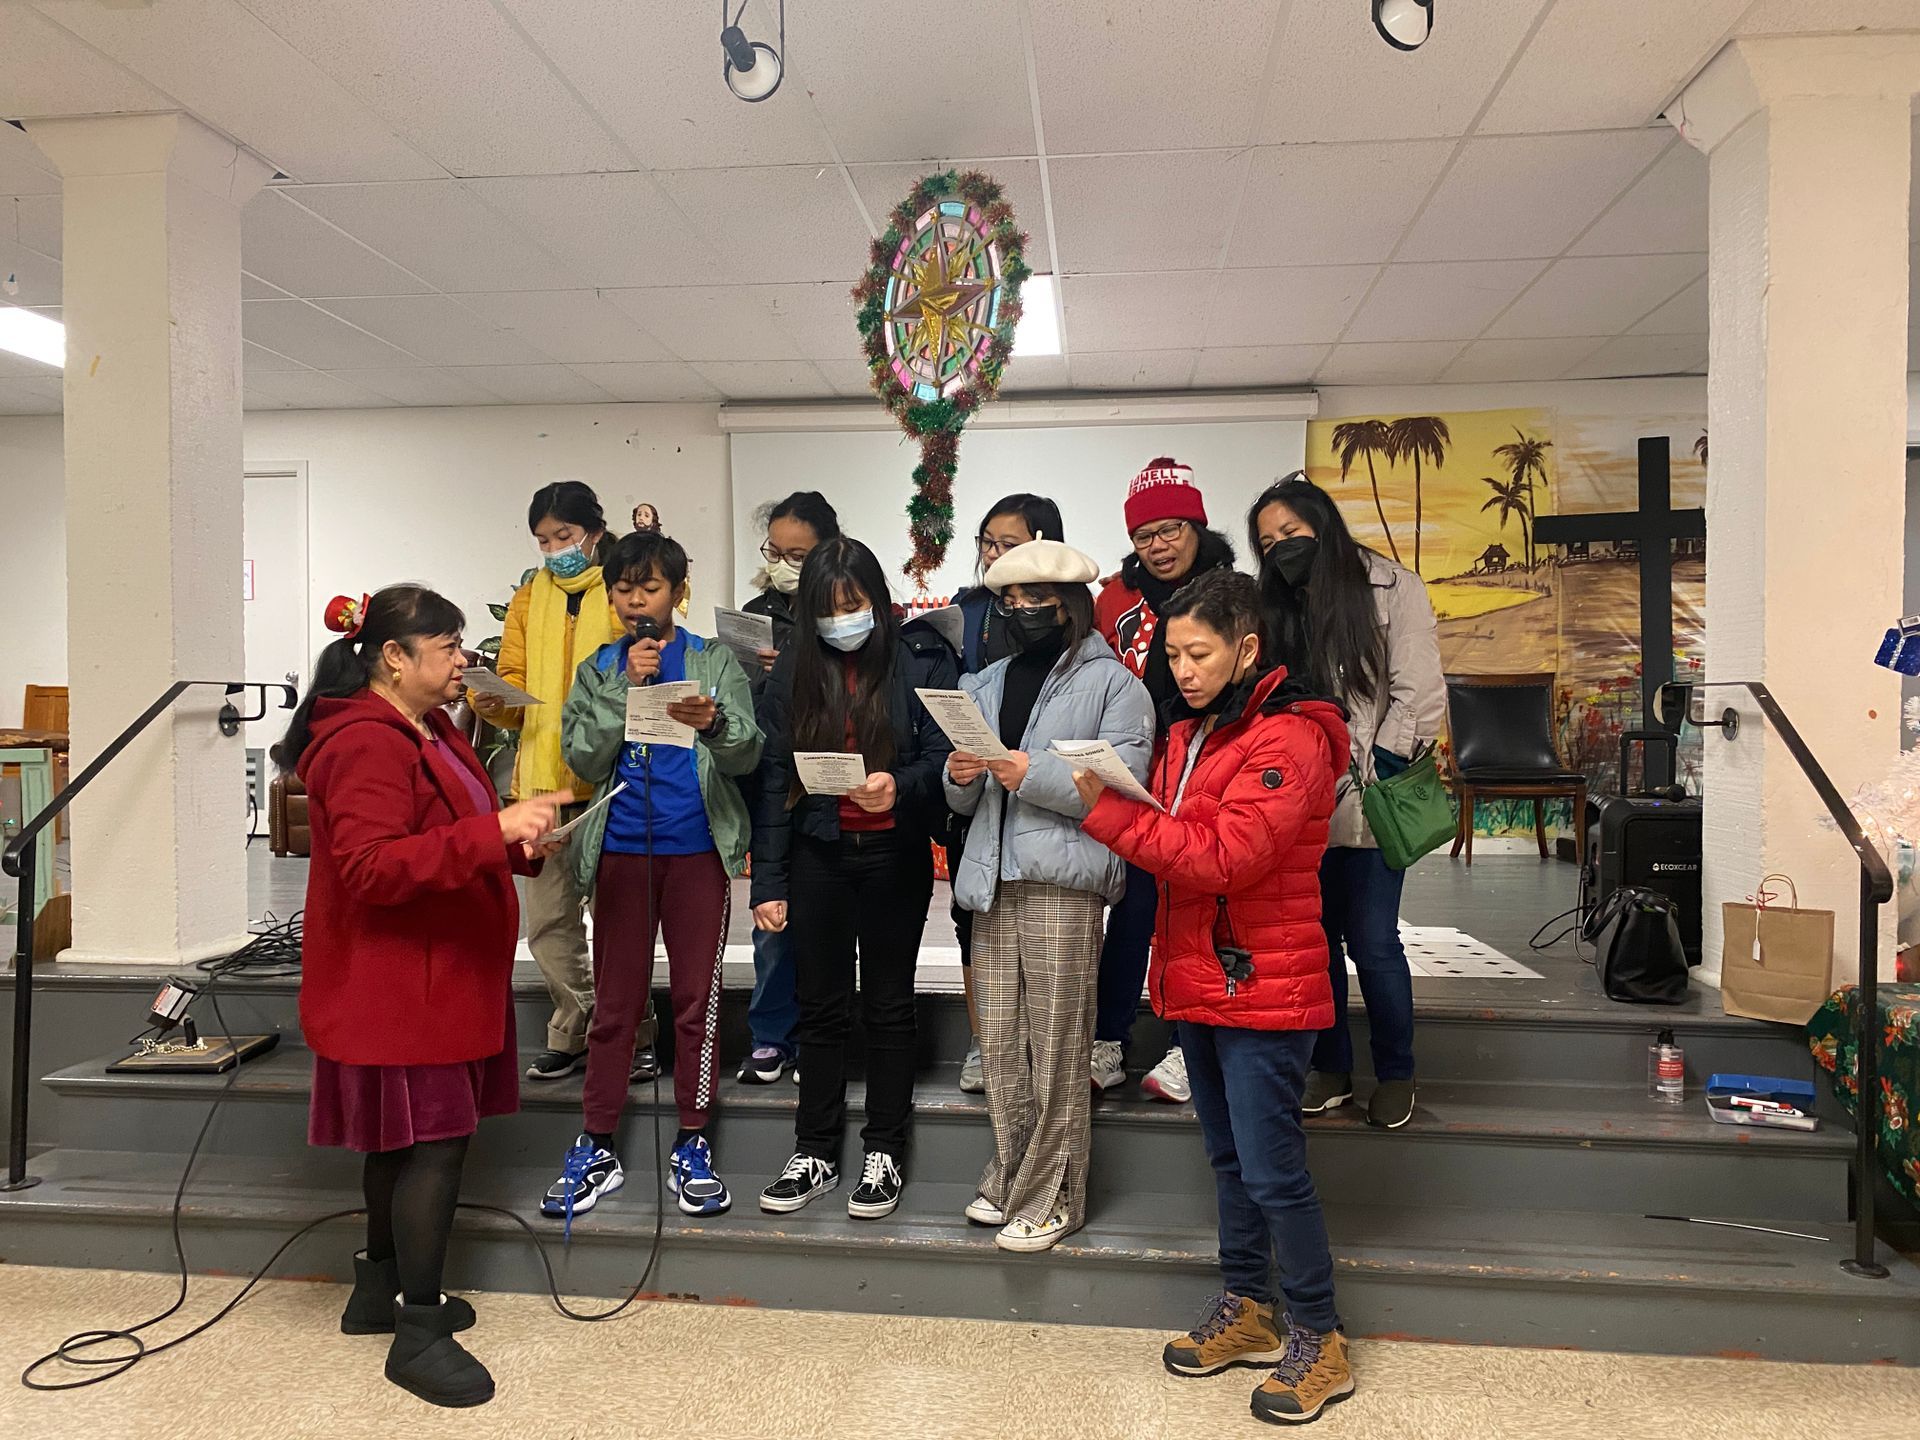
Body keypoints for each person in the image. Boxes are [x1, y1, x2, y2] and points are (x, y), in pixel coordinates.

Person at [1076, 569, 1354, 1426]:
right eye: (1173, 655)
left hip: (1266, 980)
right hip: (1202, 973)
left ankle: (1320, 1337)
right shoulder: (1194, 729)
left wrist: (1112, 815)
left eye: (1199, 653)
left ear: (1248, 647)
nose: (1184, 670)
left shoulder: (1290, 738)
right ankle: (1249, 1308)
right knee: (1230, 1161)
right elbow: (1180, 836)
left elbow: (1223, 858)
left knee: (1273, 1170)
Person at [285, 585, 564, 1409]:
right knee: (432, 1149)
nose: (462, 660)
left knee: (399, 1144)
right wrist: (493, 832)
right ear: (393, 657)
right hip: (401, 980)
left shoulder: (432, 726)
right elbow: (372, 868)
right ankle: (418, 1330)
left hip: (438, 971)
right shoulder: (365, 743)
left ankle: (379, 1291)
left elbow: (451, 827)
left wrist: (518, 842)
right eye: (446, 647)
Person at [541, 531, 763, 1223]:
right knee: (615, 1005)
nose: (636, 601)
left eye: (651, 587)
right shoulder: (601, 667)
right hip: (620, 853)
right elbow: (580, 756)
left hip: (696, 851)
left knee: (697, 1001)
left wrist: (716, 724)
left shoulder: (712, 660)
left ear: (678, 592)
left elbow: (748, 753)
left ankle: (693, 1140)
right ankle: (597, 1141)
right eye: (624, 588)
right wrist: (625, 690)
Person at [944, 539, 1152, 1252]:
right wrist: (960, 777)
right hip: (991, 877)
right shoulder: (983, 682)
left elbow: (1120, 789)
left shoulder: (1116, 686)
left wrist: (1026, 772)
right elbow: (962, 798)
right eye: (1011, 599)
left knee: (1059, 1043)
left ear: (1070, 604)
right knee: (1001, 1042)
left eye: (1037, 598)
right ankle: (1013, 1174)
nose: (1023, 610)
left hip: (1064, 881)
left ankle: (1057, 1195)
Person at [753, 537, 958, 1220]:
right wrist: (768, 882)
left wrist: (897, 785)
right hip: (819, 854)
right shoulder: (794, 668)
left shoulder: (919, 656)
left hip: (894, 854)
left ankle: (884, 1150)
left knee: (890, 1006)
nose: (843, 619)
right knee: (820, 1006)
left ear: (878, 598)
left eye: (855, 604)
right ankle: (813, 1150)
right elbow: (775, 776)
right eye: (829, 608)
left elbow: (943, 756)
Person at [1248, 473, 1445, 1131]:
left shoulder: (1392, 588)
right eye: (1267, 542)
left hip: (1369, 796)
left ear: (1323, 524)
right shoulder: (1273, 605)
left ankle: (1396, 1072)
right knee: (1315, 940)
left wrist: (1380, 767)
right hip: (1294, 804)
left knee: (1373, 939)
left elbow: (1419, 690)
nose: (1281, 547)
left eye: (1291, 532)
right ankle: (1330, 1068)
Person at [1091, 457, 1237, 1104]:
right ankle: (1107, 1039)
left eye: (1171, 529)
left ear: (1196, 526)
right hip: (1135, 777)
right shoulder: (1113, 600)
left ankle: (1187, 1046)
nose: (1159, 545)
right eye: (1144, 535)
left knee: (1195, 912)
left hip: (1209, 775)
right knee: (1133, 909)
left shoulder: (1233, 592)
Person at [467, 481, 620, 1085]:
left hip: (610, 783)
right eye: (543, 540)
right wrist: (490, 700)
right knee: (549, 924)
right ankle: (571, 1028)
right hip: (539, 786)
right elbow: (512, 682)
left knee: (619, 923)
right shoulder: (530, 597)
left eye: (565, 536)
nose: (556, 550)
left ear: (594, 533)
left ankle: (629, 1035)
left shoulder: (622, 588)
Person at [948, 492, 1065, 1095]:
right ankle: (984, 1043)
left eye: (1008, 544)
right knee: (973, 924)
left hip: (1044, 811)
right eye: (987, 543)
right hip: (978, 797)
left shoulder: (1076, 638)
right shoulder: (967, 609)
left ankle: (1043, 1053)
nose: (994, 554)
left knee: (1047, 950)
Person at [736, 490, 841, 1086]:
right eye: (774, 552)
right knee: (772, 916)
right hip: (772, 778)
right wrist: (760, 678)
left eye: (797, 555)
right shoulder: (757, 612)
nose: (782, 565)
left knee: (826, 921)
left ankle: (819, 1035)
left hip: (833, 784)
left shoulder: (847, 610)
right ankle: (771, 1034)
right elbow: (741, 710)